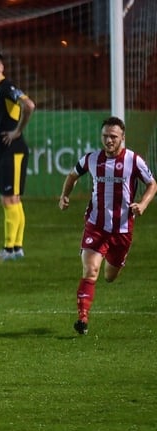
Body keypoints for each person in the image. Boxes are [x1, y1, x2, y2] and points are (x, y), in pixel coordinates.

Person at [58, 116, 156, 336]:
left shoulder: (133, 160)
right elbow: (72, 176)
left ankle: (117, 259)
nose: (109, 140)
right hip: (96, 226)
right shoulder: (91, 159)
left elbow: (152, 184)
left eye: (113, 136)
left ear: (123, 137)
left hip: (122, 231)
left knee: (110, 276)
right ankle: (82, 318)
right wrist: (64, 196)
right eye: (105, 136)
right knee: (90, 270)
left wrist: (143, 204)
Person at [0, 51, 36, 262]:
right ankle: (16, 249)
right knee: (13, 199)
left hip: (13, 150)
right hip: (2, 150)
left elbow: (29, 105)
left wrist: (17, 131)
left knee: (8, 199)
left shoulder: (7, 88)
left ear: (2, 67)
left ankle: (9, 248)